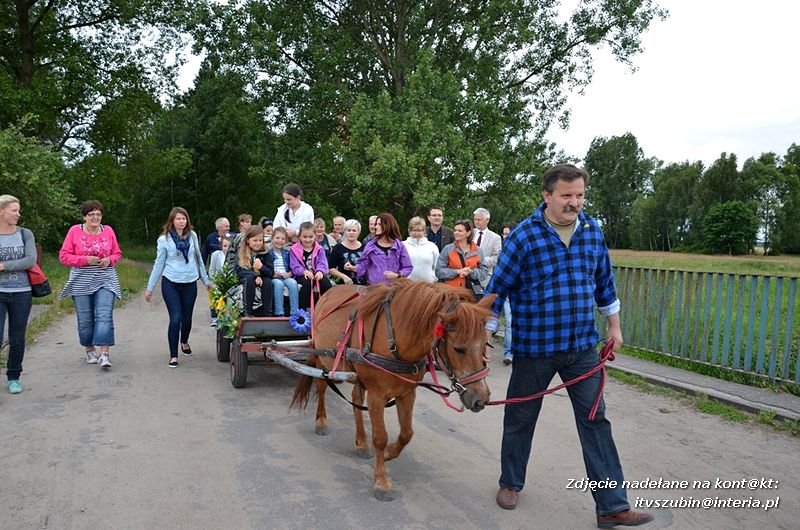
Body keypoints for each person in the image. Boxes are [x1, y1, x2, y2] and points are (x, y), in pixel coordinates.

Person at [487, 164, 652, 527]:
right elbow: (498, 288)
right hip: (534, 348)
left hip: (582, 348)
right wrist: (486, 329)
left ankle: (612, 506)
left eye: (579, 195)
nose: (574, 202)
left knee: (596, 420)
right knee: (520, 418)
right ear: (547, 196)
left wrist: (615, 326)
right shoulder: (525, 236)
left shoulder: (592, 231)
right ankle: (510, 482)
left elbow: (604, 283)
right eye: (566, 195)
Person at [58, 200, 122, 369]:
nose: (95, 217)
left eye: (98, 214)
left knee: (104, 315)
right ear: (84, 217)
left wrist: (110, 259)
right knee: (85, 320)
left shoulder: (108, 231)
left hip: (105, 279)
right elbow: (64, 256)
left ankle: (104, 354)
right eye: (91, 214)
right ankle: (89, 348)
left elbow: (117, 253)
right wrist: (85, 260)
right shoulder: (74, 231)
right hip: (81, 281)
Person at [145, 207, 211, 368]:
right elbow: (159, 264)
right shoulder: (164, 240)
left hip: (189, 282)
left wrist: (206, 280)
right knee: (176, 318)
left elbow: (198, 259)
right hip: (171, 282)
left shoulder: (192, 236)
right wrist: (150, 288)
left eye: (184, 218)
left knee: (187, 319)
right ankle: (173, 355)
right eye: (178, 219)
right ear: (172, 221)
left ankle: (184, 341)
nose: (181, 221)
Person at [0, 195, 36, 394]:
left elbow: (30, 260)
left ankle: (14, 376)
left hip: (22, 292)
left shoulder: (25, 234)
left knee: (17, 338)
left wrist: (4, 266)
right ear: (1, 211)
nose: (18, 214)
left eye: (18, 210)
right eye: (14, 210)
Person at [356, 213, 413, 285]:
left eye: (379, 224)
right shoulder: (370, 245)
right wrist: (355, 268)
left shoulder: (399, 246)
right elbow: (363, 264)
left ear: (388, 225)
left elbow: (408, 267)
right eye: (376, 224)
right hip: (374, 288)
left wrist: (397, 275)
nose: (375, 227)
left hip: (394, 289)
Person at [435, 219, 487, 291]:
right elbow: (438, 271)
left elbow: (484, 273)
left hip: (471, 292)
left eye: (460, 231)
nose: (456, 233)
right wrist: (457, 271)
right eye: (455, 230)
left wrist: (470, 272)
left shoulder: (478, 251)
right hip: (450, 292)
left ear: (468, 233)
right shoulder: (448, 249)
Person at [290, 222, 332, 310]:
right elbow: (294, 266)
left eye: (311, 237)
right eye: (305, 237)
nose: (308, 240)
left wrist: (320, 271)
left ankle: (327, 308)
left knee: (325, 282)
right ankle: (303, 309)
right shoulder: (294, 249)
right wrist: (304, 271)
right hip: (302, 274)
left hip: (316, 273)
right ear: (300, 237)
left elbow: (322, 263)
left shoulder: (320, 249)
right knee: (307, 283)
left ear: (315, 236)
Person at [234, 226, 274, 317]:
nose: (258, 243)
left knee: (267, 281)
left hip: (262, 278)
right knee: (249, 280)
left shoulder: (265, 253)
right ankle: (247, 312)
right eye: (255, 240)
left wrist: (262, 267)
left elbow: (270, 272)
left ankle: (267, 313)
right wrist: (255, 275)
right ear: (248, 240)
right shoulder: (242, 253)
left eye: (260, 240)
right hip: (246, 278)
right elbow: (240, 270)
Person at [266, 227, 299, 316]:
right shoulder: (268, 253)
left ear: (286, 241)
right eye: (277, 238)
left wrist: (290, 273)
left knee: (293, 283)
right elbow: (266, 267)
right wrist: (273, 274)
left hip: (285, 276)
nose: (280, 241)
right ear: (272, 239)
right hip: (274, 277)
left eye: (282, 239)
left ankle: (295, 312)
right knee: (278, 284)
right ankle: (279, 312)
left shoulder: (287, 252)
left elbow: (292, 266)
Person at [500, 222, 518, 365]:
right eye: (504, 234)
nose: (505, 237)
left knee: (514, 322)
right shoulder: (500, 250)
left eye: (508, 234)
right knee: (509, 322)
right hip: (504, 293)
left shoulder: (520, 250)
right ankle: (508, 352)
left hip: (519, 294)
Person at [327, 219, 365, 285]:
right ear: (345, 232)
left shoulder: (365, 248)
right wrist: (344, 277)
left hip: (363, 285)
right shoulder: (337, 248)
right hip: (344, 286)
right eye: (348, 230)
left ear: (358, 232)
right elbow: (330, 268)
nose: (351, 233)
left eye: (354, 230)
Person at [472, 207, 502, 289]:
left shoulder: (495, 238)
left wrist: (480, 260)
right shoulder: (469, 233)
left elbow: (496, 258)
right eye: (475, 219)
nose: (476, 222)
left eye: (479, 220)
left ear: (487, 220)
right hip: (468, 274)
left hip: (485, 276)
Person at [404, 216, 439, 282]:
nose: (417, 233)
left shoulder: (432, 246)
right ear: (409, 231)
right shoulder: (403, 246)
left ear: (424, 231)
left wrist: (433, 278)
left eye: (419, 230)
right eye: (414, 230)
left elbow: (437, 266)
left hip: (427, 286)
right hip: (407, 286)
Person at [208, 236, 231, 326]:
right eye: (225, 246)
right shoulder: (216, 255)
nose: (227, 248)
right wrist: (213, 282)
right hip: (217, 281)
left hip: (229, 281)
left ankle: (228, 316)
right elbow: (211, 270)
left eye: (229, 246)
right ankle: (214, 317)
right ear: (221, 246)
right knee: (214, 295)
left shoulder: (235, 256)